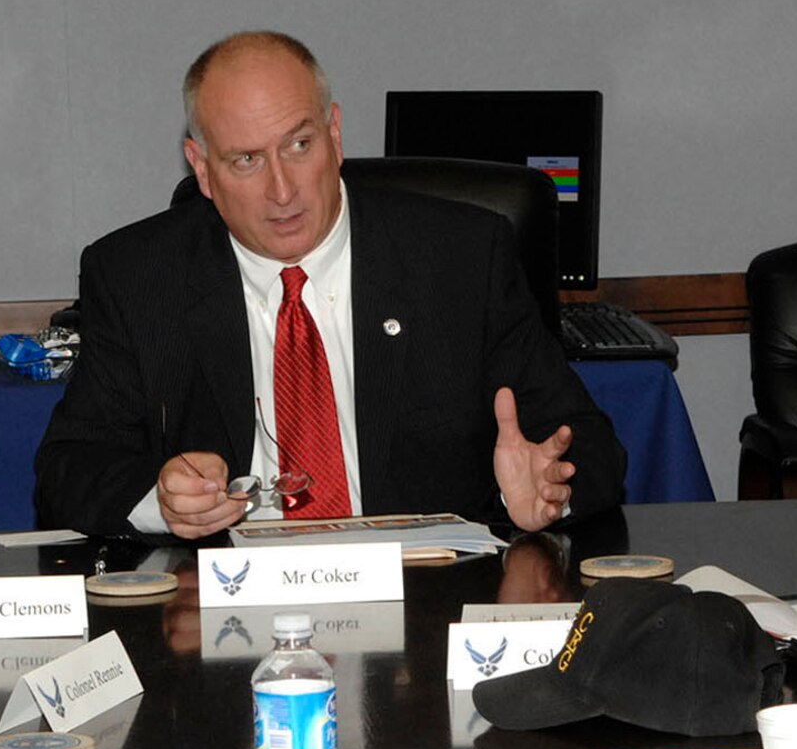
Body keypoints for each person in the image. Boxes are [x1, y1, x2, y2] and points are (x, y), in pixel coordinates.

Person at [35, 30, 626, 539]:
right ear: (202, 169)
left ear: (335, 135)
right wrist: (159, 501)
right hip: (229, 613)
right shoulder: (139, 275)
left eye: (299, 145)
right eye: (246, 160)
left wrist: (548, 491)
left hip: (424, 599)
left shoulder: (460, 260)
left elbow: (591, 446)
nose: (283, 189)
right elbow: (69, 468)